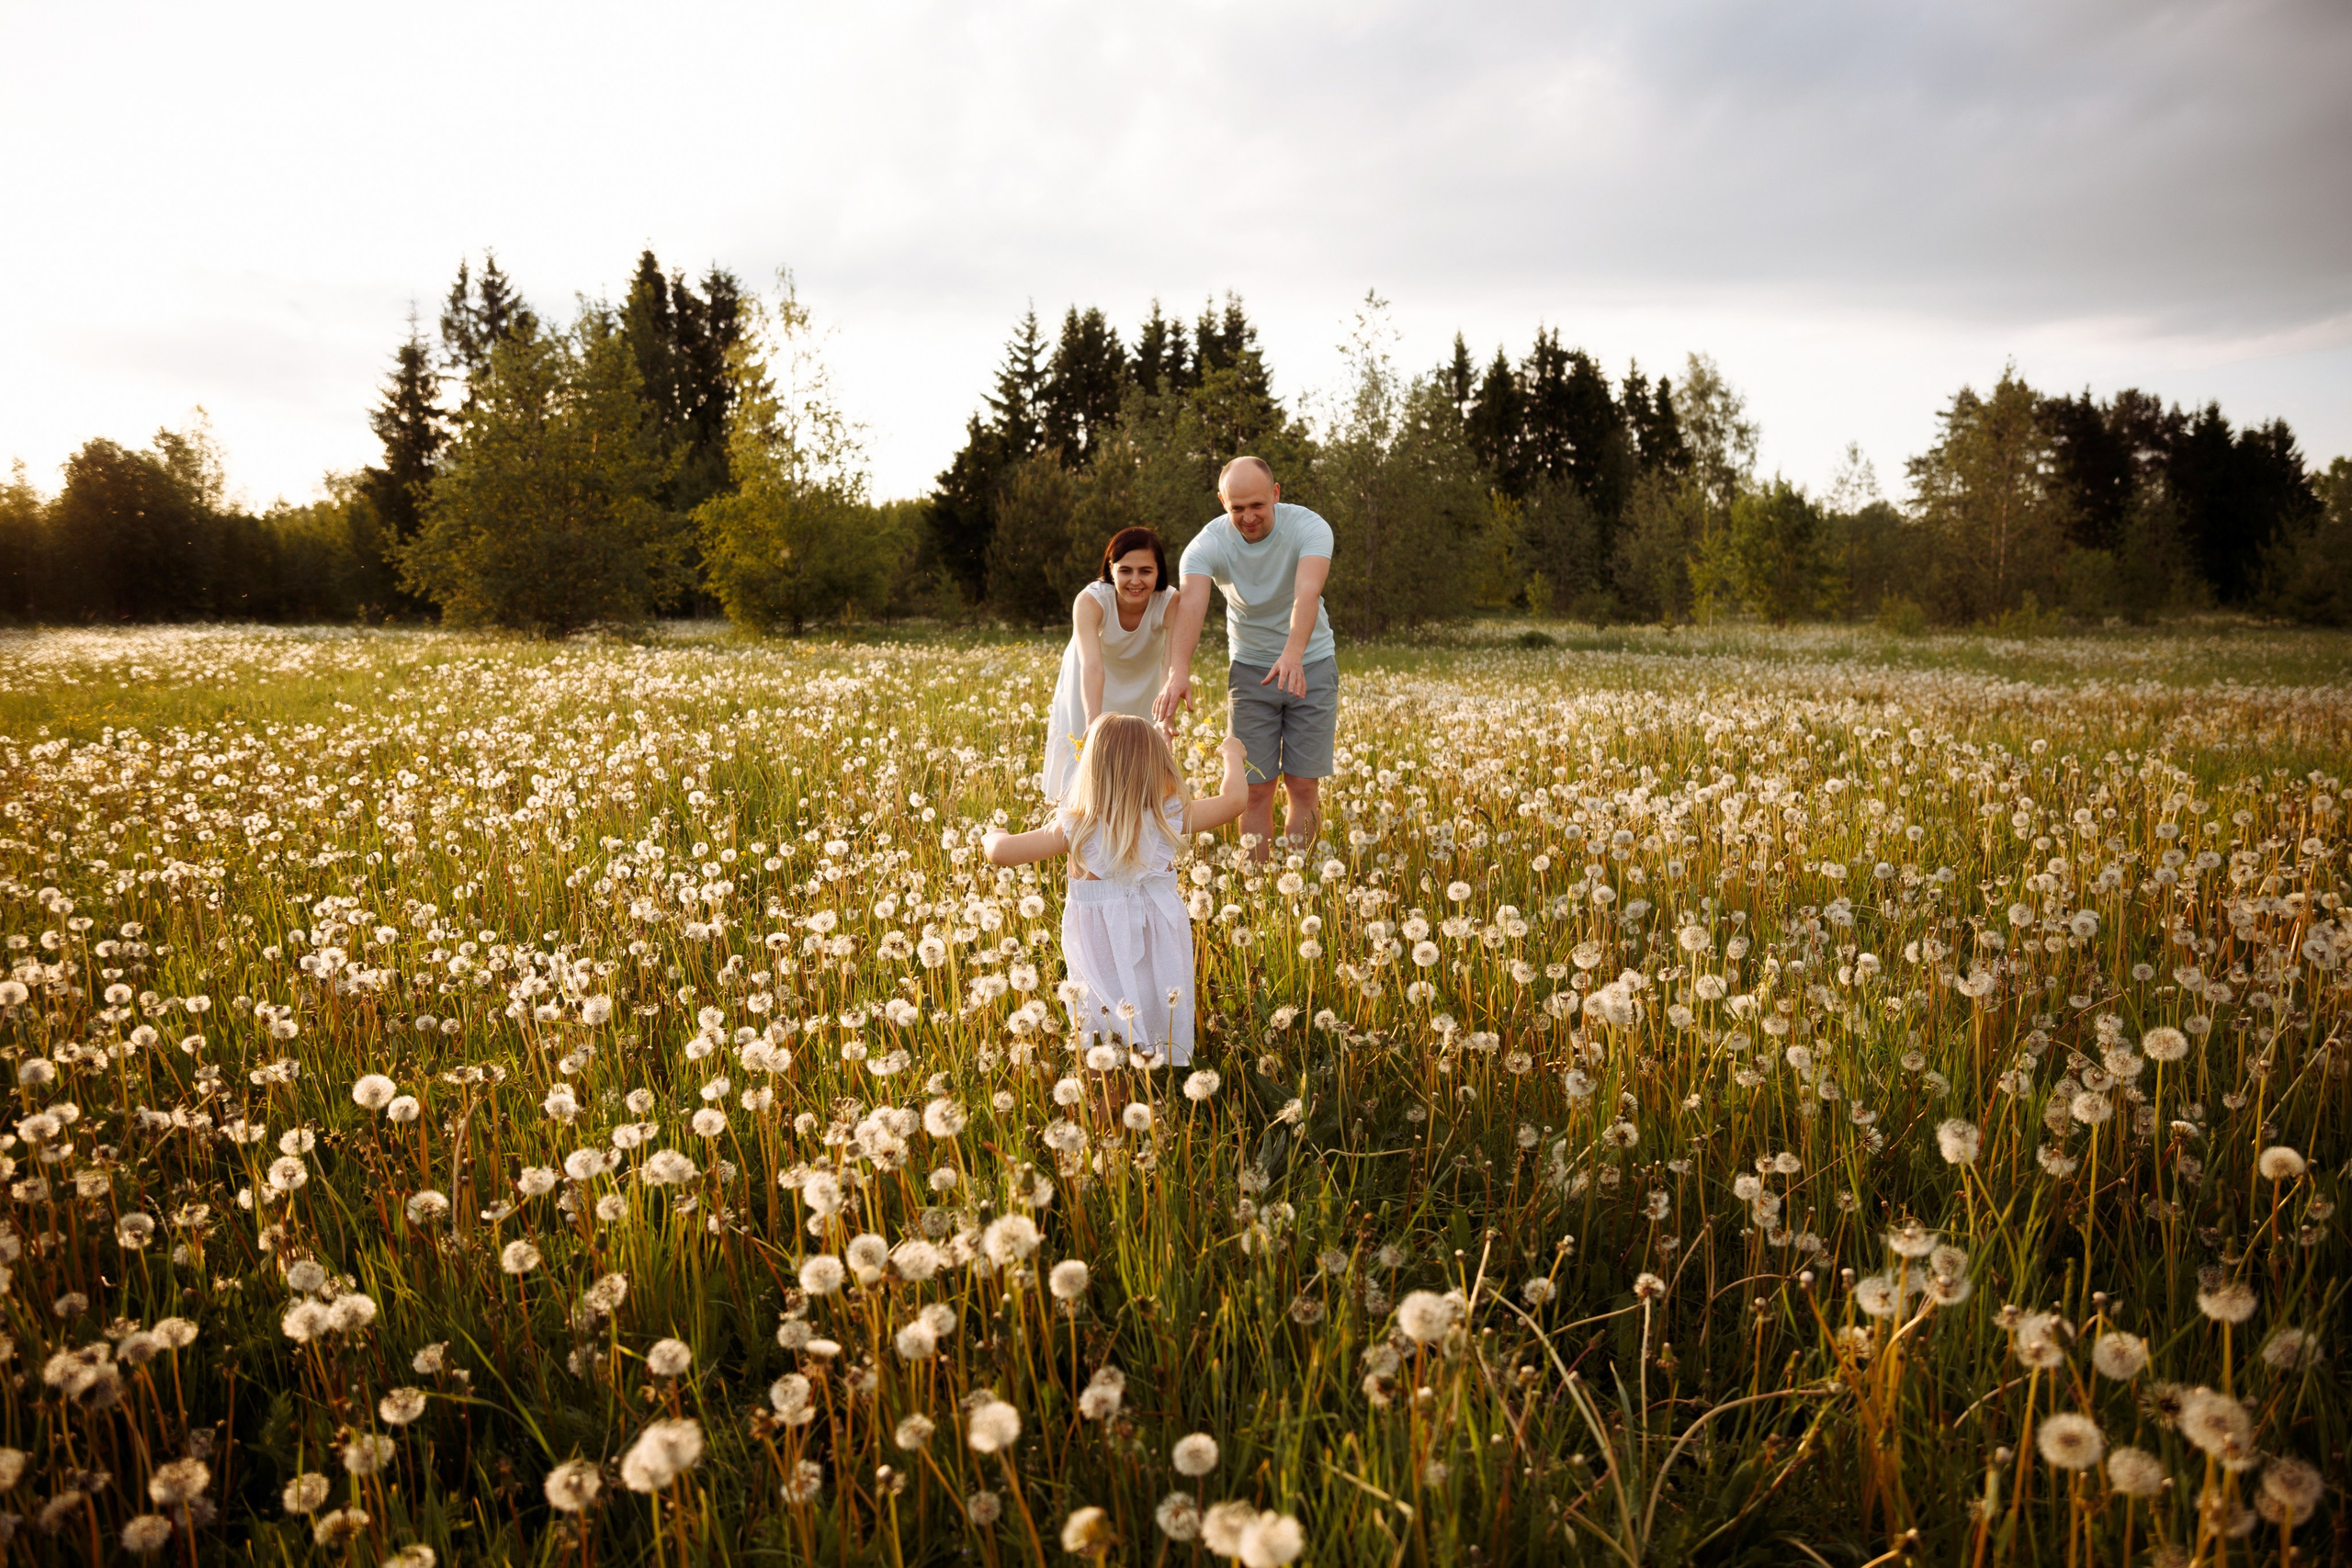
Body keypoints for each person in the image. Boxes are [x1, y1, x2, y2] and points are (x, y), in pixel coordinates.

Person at [983, 716, 1249, 1067]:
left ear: (1091, 768)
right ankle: (1151, 1083)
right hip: (1159, 943)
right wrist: (1232, 754)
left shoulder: (1077, 826)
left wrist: (993, 836)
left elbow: (1003, 854)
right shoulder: (1169, 817)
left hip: (1100, 948)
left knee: (1101, 1019)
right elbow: (1233, 801)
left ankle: (1103, 1095)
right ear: (1158, 767)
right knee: (1154, 1004)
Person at [1154, 456, 1335, 859]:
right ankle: (1260, 886)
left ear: (1275, 494)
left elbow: (1307, 591)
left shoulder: (1310, 527)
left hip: (1311, 663)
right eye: (1237, 508)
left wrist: (1293, 653)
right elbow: (1192, 607)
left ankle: (1300, 876)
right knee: (1255, 790)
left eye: (1257, 505)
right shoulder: (1206, 546)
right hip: (1250, 672)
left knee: (1304, 786)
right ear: (1222, 502)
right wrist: (1177, 671)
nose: (1248, 517)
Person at [1041, 527, 1175, 803]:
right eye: (1125, 570)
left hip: (1141, 685)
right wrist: (1094, 723)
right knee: (1084, 771)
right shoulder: (1091, 601)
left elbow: (1171, 667)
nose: (1135, 581)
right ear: (1110, 569)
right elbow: (1091, 666)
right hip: (1088, 684)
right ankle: (1077, 838)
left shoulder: (1170, 602)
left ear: (1159, 571)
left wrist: (1165, 720)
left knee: (1136, 767)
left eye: (1145, 571)